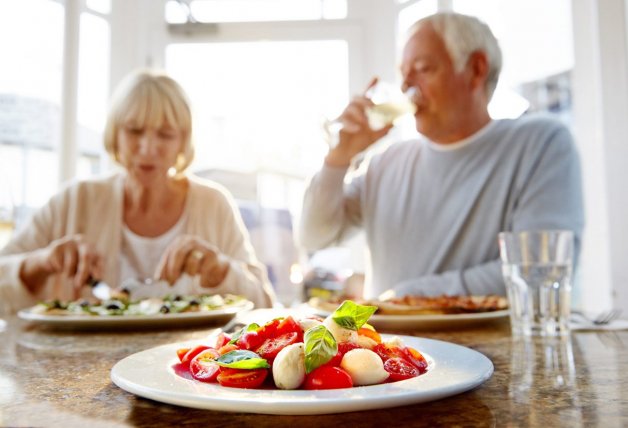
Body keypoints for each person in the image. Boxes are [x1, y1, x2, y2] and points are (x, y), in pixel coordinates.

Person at [299, 12, 584, 299]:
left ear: (475, 69)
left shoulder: (539, 143)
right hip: (394, 344)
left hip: (488, 343)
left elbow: (539, 269)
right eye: (403, 73)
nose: (406, 87)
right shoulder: (385, 163)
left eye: (422, 69)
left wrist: (407, 297)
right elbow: (314, 236)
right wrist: (338, 159)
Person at [0, 69, 275, 313]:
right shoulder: (74, 200)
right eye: (134, 131)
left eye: (165, 134)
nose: (148, 148)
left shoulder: (214, 203)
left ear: (182, 142)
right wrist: (41, 262)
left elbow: (264, 304)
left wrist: (221, 271)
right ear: (115, 135)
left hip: (183, 369)